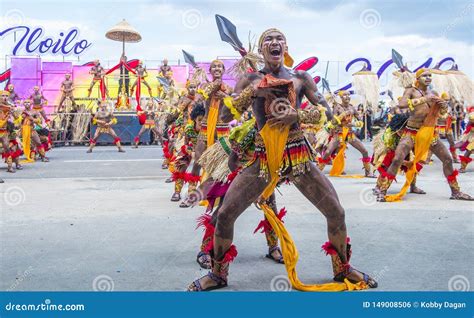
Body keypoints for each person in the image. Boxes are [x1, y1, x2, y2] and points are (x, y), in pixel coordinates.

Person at [187, 28, 377, 291]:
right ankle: (218, 275)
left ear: (285, 47)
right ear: (262, 49)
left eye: (279, 39)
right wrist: (251, 93)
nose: (274, 43)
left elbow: (327, 112)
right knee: (225, 215)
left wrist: (296, 116)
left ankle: (342, 269)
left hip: (297, 155)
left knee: (336, 212)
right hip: (262, 157)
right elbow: (225, 118)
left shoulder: (301, 78)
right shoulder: (250, 78)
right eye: (269, 39)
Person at [374, 69, 472, 202]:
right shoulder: (411, 90)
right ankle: (382, 190)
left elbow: (442, 114)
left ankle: (456, 191)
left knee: (447, 159)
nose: (428, 78)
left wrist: (443, 107)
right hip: (411, 132)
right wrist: (424, 99)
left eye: (429, 75)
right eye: (424, 76)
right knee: (397, 159)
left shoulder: (434, 93)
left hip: (429, 133)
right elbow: (402, 104)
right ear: (418, 78)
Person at [317, 90, 374, 177]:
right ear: (340, 97)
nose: (347, 96)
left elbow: (360, 120)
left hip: (349, 134)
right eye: (344, 95)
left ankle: (368, 171)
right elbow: (333, 122)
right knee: (328, 152)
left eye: (348, 95)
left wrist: (355, 124)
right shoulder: (337, 107)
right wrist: (342, 115)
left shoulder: (352, 108)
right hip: (338, 134)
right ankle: (318, 172)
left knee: (365, 151)